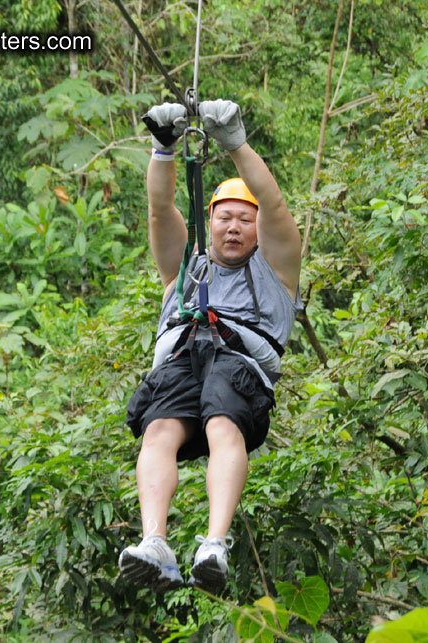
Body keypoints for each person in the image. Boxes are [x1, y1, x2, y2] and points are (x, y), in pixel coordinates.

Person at [118, 99, 301, 594]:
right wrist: (163, 149)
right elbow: (160, 210)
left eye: (246, 219)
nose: (235, 227)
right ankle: (154, 541)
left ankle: (214, 543)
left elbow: (277, 207)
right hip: (180, 360)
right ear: (211, 221)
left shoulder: (276, 269)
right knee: (158, 430)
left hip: (237, 365)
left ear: (258, 230)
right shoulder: (187, 269)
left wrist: (235, 142)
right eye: (225, 217)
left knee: (222, 420)